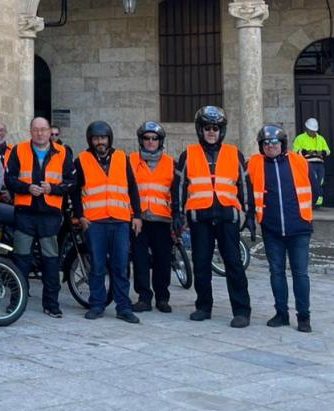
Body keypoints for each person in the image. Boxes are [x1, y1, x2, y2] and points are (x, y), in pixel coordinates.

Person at [172, 105, 253, 328]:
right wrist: (177, 213)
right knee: (201, 264)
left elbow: (244, 184)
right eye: (207, 128)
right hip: (201, 218)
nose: (211, 132)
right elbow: (179, 185)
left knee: (234, 264)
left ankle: (242, 311)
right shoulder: (188, 154)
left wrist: (251, 213)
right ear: (200, 130)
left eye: (216, 128)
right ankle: (203, 307)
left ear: (222, 130)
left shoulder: (233, 153)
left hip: (227, 217)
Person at [72, 121, 142, 324]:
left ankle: (123, 307)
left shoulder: (122, 158)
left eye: (103, 138)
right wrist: (80, 215)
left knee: (120, 266)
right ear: (90, 140)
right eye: (96, 138)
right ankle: (96, 304)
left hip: (120, 221)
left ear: (109, 139)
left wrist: (136, 214)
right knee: (97, 266)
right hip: (95, 222)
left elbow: (132, 188)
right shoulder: (82, 160)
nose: (100, 142)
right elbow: (75, 192)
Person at [5, 117, 74, 318]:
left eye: (44, 130)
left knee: (51, 261)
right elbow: (9, 179)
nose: (40, 133)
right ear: (30, 131)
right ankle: (17, 302)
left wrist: (53, 189)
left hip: (50, 215)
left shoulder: (63, 152)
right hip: (25, 214)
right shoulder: (19, 150)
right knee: (21, 260)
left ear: (50, 131)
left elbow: (72, 182)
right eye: (36, 130)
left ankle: (51, 304)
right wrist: (26, 188)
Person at [247, 125, 313, 333]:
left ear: (282, 144)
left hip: (299, 227)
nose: (270, 146)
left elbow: (313, 187)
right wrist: (250, 216)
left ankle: (304, 317)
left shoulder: (298, 161)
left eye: (274, 142)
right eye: (265, 143)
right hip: (272, 228)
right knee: (276, 272)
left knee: (300, 273)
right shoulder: (254, 164)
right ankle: (281, 313)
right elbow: (246, 190)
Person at [130, 121, 174, 314]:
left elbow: (177, 192)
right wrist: (133, 215)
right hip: (138, 220)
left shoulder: (171, 163)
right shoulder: (130, 161)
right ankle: (144, 298)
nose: (150, 142)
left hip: (163, 220)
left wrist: (178, 220)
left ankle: (162, 298)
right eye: (146, 138)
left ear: (160, 141)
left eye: (154, 138)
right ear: (141, 140)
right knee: (139, 260)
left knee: (162, 261)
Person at [292, 117, 329, 207]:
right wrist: (306, 152)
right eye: (311, 130)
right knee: (311, 182)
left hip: (319, 164)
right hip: (307, 164)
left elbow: (328, 151)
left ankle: (318, 203)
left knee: (320, 182)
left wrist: (322, 152)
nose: (313, 132)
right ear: (306, 129)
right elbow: (295, 151)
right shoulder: (300, 138)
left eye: (314, 131)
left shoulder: (321, 139)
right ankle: (311, 202)